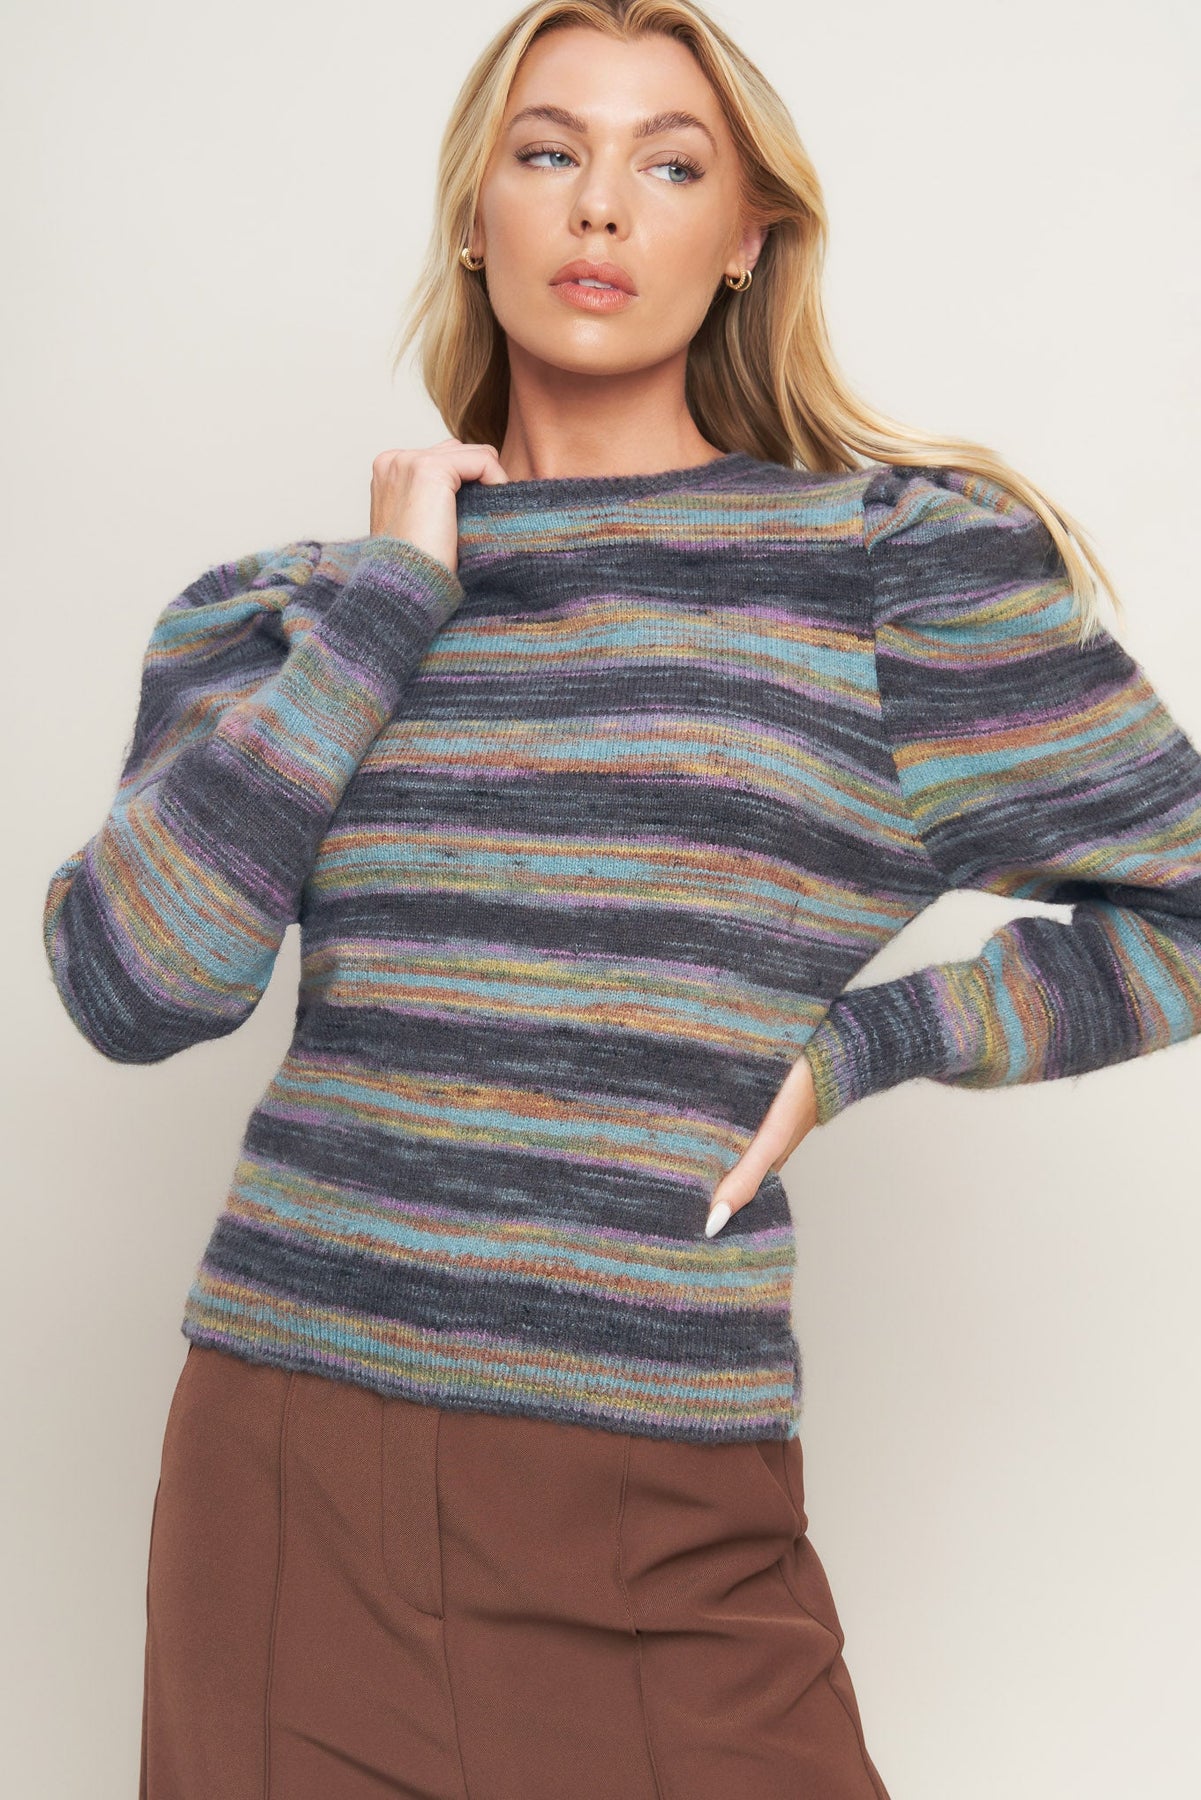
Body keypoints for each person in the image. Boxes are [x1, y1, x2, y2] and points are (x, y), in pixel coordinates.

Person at [40, 3, 1201, 1797]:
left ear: (745, 239)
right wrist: (386, 607)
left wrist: (864, 1046)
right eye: (547, 151)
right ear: (474, 214)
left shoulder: (886, 573)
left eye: (668, 164)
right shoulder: (284, 614)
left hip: (658, 1490)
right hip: (289, 1468)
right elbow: (138, 987)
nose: (599, 205)